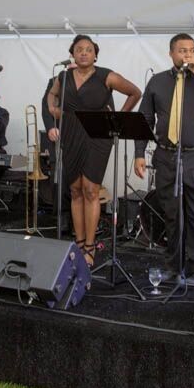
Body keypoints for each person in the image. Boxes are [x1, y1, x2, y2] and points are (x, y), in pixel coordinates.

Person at [134, 34, 194, 287]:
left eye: (192, 50)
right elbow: (145, 118)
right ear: (171, 54)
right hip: (166, 155)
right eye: (182, 50)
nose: (187, 55)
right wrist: (138, 153)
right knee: (171, 214)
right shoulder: (157, 82)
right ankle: (173, 266)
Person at [47, 35, 141, 267]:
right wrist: (53, 108)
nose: (84, 53)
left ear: (95, 54)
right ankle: (78, 244)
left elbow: (135, 92)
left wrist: (117, 118)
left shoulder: (106, 75)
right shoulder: (63, 76)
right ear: (72, 53)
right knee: (75, 190)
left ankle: (90, 245)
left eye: (88, 49)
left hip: (97, 136)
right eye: (79, 49)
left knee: (90, 190)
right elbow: (52, 94)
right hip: (71, 134)